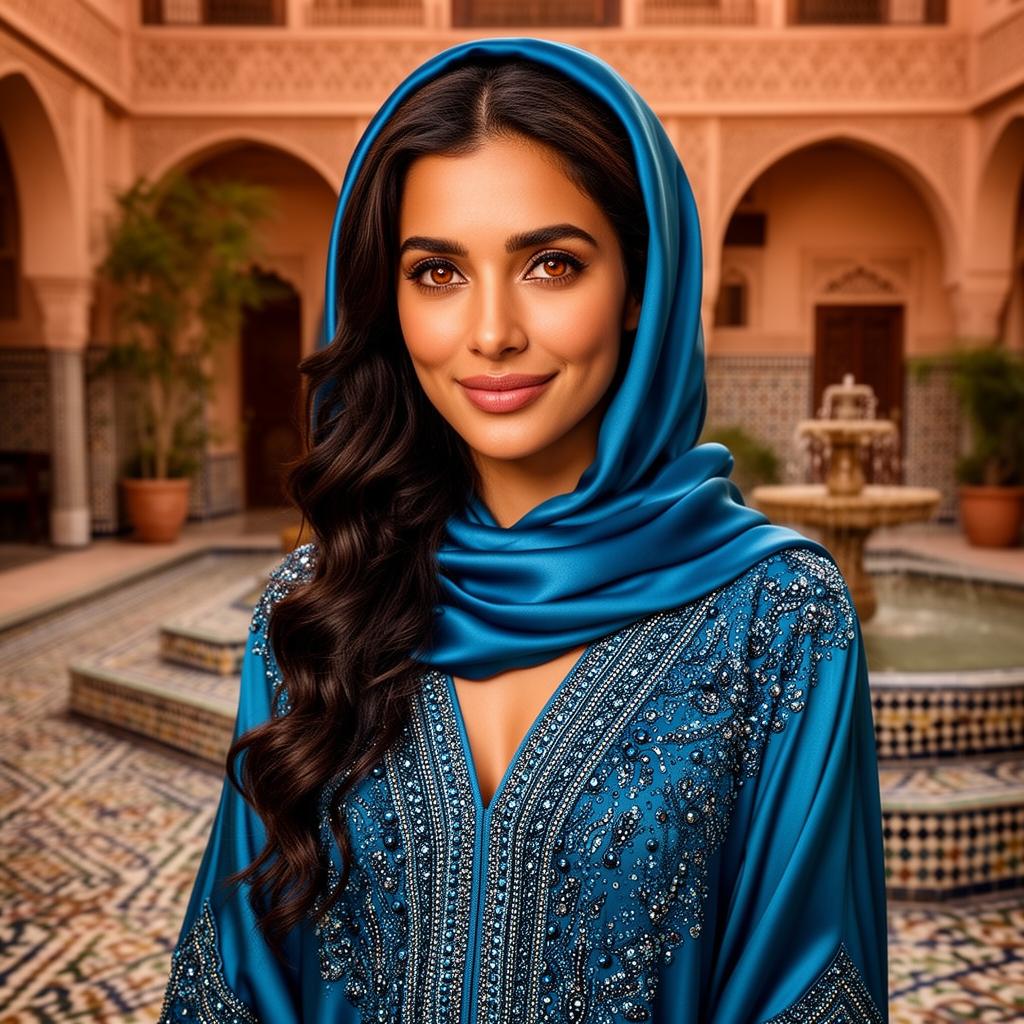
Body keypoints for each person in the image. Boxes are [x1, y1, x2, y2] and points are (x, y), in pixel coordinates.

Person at [158, 36, 888, 1024]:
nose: (491, 331)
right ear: (388, 298)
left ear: (642, 287)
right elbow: (236, 974)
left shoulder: (776, 616)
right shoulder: (317, 602)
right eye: (438, 273)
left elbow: (807, 987)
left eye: (551, 263)